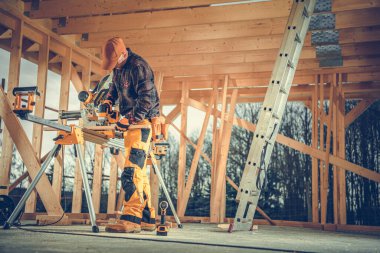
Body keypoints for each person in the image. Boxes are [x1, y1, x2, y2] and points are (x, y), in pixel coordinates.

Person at [101, 37, 160, 233]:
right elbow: (114, 88)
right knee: (139, 174)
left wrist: (130, 118)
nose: (113, 68)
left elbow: (147, 99)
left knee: (131, 172)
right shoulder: (118, 67)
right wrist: (108, 101)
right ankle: (147, 218)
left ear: (123, 54)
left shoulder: (139, 66)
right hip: (131, 124)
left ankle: (132, 219)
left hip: (141, 123)